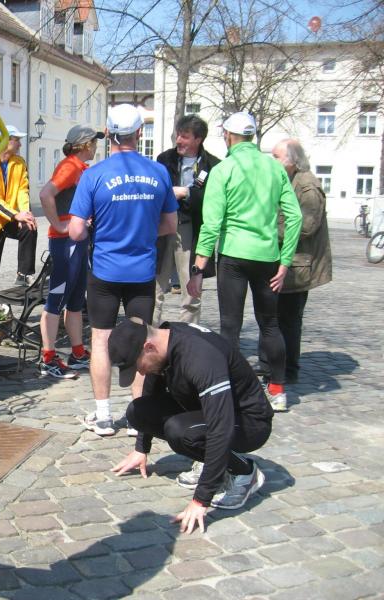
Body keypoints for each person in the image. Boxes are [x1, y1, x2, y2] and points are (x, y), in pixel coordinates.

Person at [69, 104, 178, 436]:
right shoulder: (159, 172)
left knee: (101, 340)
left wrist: (96, 228)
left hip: (104, 271)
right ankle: (137, 417)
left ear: (108, 133)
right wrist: (143, 231)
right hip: (142, 271)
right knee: (141, 340)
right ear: (139, 133)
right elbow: (170, 224)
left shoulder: (94, 175)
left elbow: (75, 231)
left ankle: (104, 416)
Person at [110, 318, 273, 533]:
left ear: (148, 347)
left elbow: (220, 427)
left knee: (180, 432)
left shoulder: (199, 356)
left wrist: (201, 499)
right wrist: (141, 448)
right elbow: (150, 393)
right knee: (138, 411)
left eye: (137, 365)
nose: (139, 372)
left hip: (248, 421)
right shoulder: (164, 341)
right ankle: (210, 461)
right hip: (205, 408)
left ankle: (244, 471)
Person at [187, 112, 302, 413]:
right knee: (270, 324)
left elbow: (211, 225)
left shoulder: (223, 170)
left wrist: (198, 269)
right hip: (267, 257)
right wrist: (285, 262)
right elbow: (295, 217)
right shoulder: (274, 167)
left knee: (230, 326)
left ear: (227, 135)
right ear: (252, 136)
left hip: (234, 256)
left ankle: (233, 390)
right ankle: (278, 390)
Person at [257, 138, 332, 397]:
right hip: (282, 260)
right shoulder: (285, 179)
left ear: (293, 160)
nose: (273, 161)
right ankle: (269, 365)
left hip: (298, 265)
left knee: (288, 319)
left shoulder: (308, 187)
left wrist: (267, 230)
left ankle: (288, 369)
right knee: (271, 315)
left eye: (277, 157)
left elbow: (306, 226)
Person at [37, 125, 102, 379]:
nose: (96, 146)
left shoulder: (80, 167)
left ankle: (77, 353)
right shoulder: (71, 166)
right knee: (56, 298)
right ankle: (48, 358)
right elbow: (46, 194)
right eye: (94, 142)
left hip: (77, 242)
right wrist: (58, 225)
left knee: (75, 299)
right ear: (84, 144)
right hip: (65, 243)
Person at [154, 115, 221, 325]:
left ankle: (187, 336)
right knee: (155, 288)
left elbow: (211, 198)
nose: (179, 140)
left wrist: (186, 192)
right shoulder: (164, 159)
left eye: (184, 136)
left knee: (191, 291)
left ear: (198, 139)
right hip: (163, 226)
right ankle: (150, 335)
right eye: (178, 135)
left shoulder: (213, 165)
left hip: (191, 229)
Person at [0, 124, 37, 292]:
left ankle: (23, 274)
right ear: (4, 141)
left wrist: (24, 213)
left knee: (29, 226)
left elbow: (23, 190)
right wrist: (15, 215)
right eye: (17, 140)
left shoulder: (19, 163)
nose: (20, 144)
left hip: (11, 218)